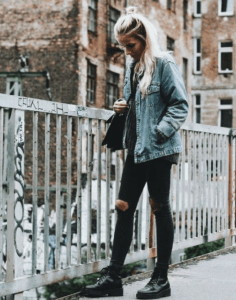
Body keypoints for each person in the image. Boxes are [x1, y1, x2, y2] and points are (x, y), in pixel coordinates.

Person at [81, 6, 189, 299]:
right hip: (136, 149)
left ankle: (161, 278)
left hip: (159, 149)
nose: (127, 51)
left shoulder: (165, 64)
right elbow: (134, 101)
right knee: (123, 207)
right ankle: (113, 277)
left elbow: (180, 105)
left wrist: (159, 131)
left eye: (131, 45)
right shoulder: (132, 66)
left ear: (144, 39)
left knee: (160, 209)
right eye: (123, 46)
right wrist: (121, 103)